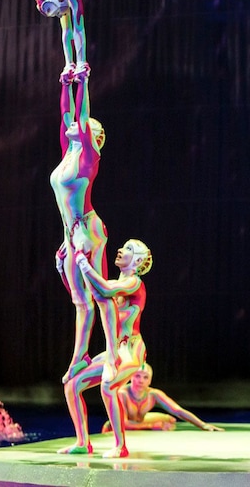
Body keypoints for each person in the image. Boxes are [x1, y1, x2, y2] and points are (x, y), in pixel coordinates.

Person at [60, 238, 151, 458]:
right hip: (116, 349)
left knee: (108, 385)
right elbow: (83, 296)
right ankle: (83, 442)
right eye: (123, 246)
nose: (120, 250)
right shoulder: (113, 284)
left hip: (131, 349)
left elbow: (105, 289)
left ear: (137, 261)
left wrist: (82, 260)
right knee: (72, 386)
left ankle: (121, 446)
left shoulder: (134, 283)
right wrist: (63, 267)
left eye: (128, 249)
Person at [51, 76, 114, 385]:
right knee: (80, 302)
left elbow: (82, 116)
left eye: (90, 128)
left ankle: (113, 352)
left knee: (99, 295)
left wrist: (85, 82)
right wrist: (65, 84)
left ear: (95, 137)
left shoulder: (89, 156)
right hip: (70, 232)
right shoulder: (68, 154)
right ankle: (79, 358)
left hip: (88, 230)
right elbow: (66, 115)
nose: (78, 124)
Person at [100, 363, 225, 433]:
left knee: (170, 419)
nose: (141, 381)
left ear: (150, 381)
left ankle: (163, 417)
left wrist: (203, 425)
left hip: (139, 422)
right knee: (160, 421)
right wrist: (154, 426)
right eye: (137, 376)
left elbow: (178, 411)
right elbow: (124, 424)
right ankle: (160, 419)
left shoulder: (153, 394)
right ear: (131, 378)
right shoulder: (122, 394)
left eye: (145, 377)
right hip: (115, 429)